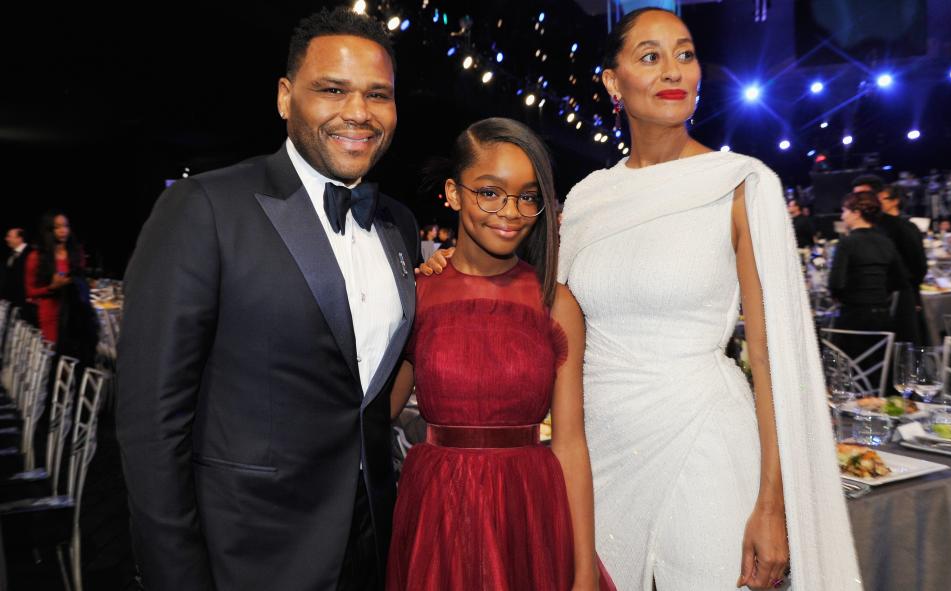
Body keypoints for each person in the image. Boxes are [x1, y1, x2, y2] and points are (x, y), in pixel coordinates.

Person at [421, 8, 862, 590]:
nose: (672, 70)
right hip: (599, 460)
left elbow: (772, 358)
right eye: (650, 56)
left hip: (705, 446)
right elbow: (542, 317)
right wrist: (447, 274)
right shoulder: (587, 201)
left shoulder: (740, 185)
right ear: (612, 80)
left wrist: (772, 505)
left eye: (685, 54)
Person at [116, 8, 418, 591]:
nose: (358, 112)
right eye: (332, 89)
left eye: (377, 94)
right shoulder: (205, 208)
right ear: (285, 97)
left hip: (371, 542)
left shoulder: (397, 224)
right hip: (248, 553)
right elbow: (150, 424)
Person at [387, 118, 611, 591]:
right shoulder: (418, 293)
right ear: (453, 193)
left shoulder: (557, 301)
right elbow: (379, 413)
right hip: (436, 513)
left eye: (527, 197)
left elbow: (570, 443)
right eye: (490, 192)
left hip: (528, 512)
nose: (510, 211)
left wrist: (585, 570)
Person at [828, 192, 910, 354]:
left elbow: (835, 284)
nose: (843, 216)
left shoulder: (847, 242)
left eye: (845, 211)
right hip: (883, 321)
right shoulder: (886, 241)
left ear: (856, 213)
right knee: (876, 369)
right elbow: (901, 279)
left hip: (853, 323)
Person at [852, 177, 924, 343]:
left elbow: (918, 266)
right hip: (874, 304)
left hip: (900, 299)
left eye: (863, 195)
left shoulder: (902, 227)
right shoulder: (866, 228)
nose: (858, 200)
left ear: (878, 195)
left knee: (904, 348)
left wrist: (912, 293)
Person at [24, 212, 89, 347]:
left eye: (66, 226)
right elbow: (30, 291)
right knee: (54, 356)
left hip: (75, 313)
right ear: (49, 230)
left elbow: (81, 279)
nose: (63, 230)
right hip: (51, 314)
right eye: (58, 227)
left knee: (74, 358)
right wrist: (51, 287)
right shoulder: (36, 257)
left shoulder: (77, 252)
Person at [1, 228, 32, 319]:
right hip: (11, 301)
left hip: (25, 302)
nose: (6, 239)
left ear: (19, 239)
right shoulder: (11, 254)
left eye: (9, 237)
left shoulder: (30, 253)